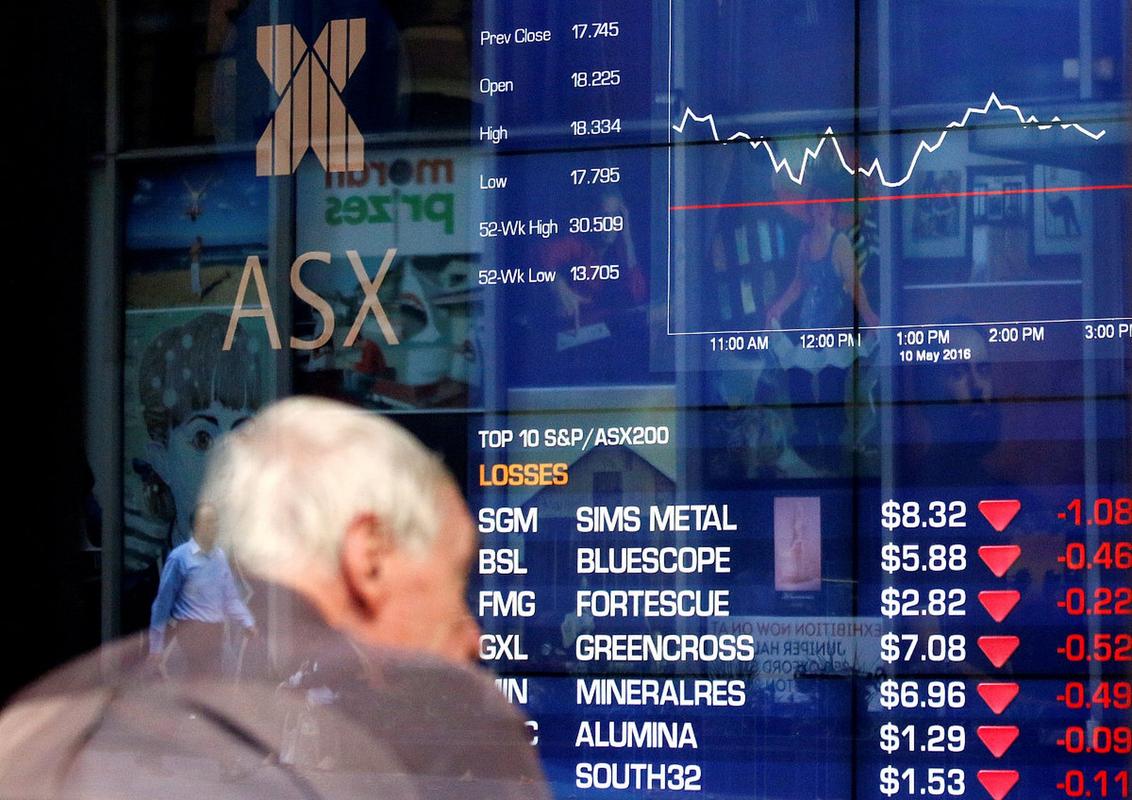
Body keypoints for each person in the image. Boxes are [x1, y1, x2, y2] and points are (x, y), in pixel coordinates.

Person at [0, 397, 548, 799]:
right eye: (456, 582)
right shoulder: (427, 734)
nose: (473, 634)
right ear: (369, 558)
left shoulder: (41, 722)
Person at [148, 502, 256, 676]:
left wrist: (247, 622)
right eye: (209, 522)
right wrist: (156, 645)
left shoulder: (219, 557)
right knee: (201, 676)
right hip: (191, 630)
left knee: (211, 677)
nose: (214, 526)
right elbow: (163, 602)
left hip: (215, 631)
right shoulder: (180, 558)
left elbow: (230, 597)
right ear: (197, 526)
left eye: (215, 521)